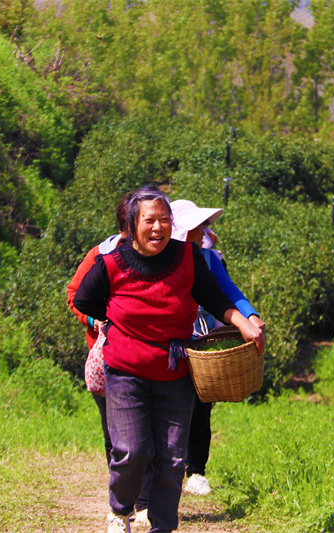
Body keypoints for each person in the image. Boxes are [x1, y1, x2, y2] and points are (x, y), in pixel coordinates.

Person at [74, 185, 265, 533]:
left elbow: (213, 294)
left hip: (175, 370)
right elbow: (83, 300)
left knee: (173, 458)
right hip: (126, 371)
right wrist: (117, 320)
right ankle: (120, 511)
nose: (158, 227)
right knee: (131, 450)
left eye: (165, 219)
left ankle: (162, 526)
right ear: (132, 225)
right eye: (150, 220)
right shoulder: (111, 262)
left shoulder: (189, 258)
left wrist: (243, 322)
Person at [65, 194, 154, 527]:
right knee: (117, 435)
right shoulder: (100, 255)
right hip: (108, 359)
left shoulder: (161, 255)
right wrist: (95, 320)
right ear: (127, 224)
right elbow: (75, 295)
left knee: (147, 433)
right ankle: (125, 502)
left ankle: (144, 503)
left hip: (150, 357)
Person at [169, 199, 265, 496]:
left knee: (201, 405)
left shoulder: (208, 259)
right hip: (169, 343)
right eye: (198, 226)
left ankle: (196, 471)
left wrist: (251, 317)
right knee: (168, 407)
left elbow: (228, 290)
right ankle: (163, 471)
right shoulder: (162, 260)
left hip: (201, 340)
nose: (204, 231)